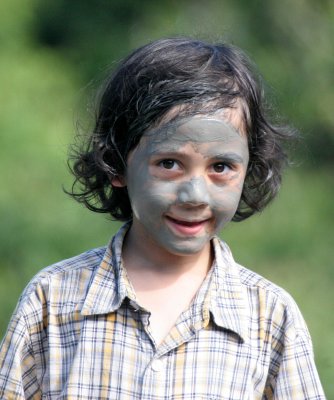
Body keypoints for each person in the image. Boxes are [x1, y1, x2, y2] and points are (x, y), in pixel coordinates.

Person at [0, 37, 325, 399]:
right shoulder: (52, 302)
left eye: (221, 167)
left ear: (248, 169)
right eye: (169, 164)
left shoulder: (270, 319)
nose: (195, 196)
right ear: (117, 163)